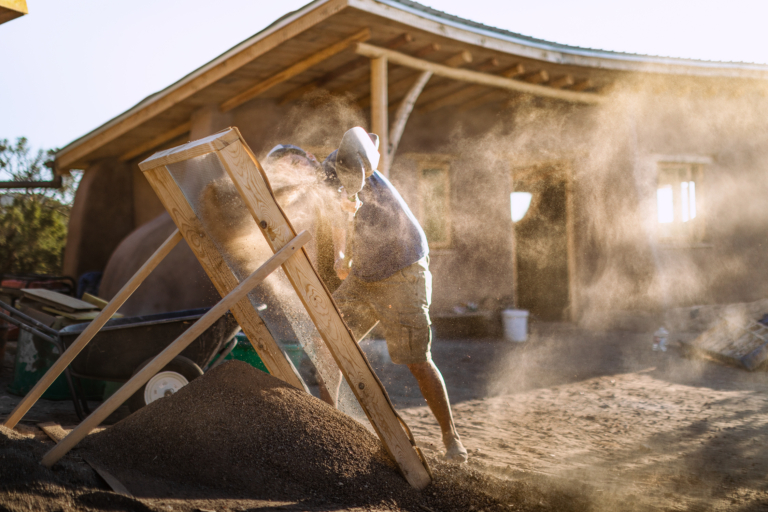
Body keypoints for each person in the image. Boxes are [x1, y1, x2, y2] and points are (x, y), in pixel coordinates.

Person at [319, 131, 468, 463]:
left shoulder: (362, 166)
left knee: (416, 360)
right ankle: (326, 428)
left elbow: (368, 140)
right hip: (365, 272)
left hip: (404, 266)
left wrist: (348, 213)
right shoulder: (329, 168)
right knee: (329, 342)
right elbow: (336, 217)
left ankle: (451, 439)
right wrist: (340, 256)